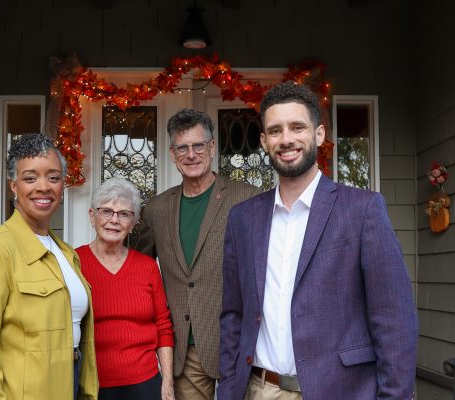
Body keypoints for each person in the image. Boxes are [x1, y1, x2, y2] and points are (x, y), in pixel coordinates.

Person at [218, 81, 418, 400]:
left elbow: (394, 319)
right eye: (275, 130)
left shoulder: (362, 210)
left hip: (341, 391)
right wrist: (228, 386)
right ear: (263, 141)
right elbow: (233, 314)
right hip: (258, 390)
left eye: (297, 127)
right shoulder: (243, 219)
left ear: (319, 134)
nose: (286, 139)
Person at [0, 133, 98, 400]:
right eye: (30, 178)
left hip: (67, 384)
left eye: (53, 177)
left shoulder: (66, 253)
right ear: (14, 186)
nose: (43, 187)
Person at [135, 109, 261, 400]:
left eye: (198, 145)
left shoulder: (248, 198)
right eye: (182, 147)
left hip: (239, 342)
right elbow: (139, 271)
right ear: (172, 153)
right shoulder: (157, 209)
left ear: (212, 147)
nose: (191, 154)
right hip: (185, 346)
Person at [76, 177, 174, 400]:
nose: (114, 220)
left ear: (133, 223)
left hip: (145, 383)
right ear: (93, 216)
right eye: (106, 211)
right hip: (93, 384)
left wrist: (167, 382)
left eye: (124, 214)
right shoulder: (74, 263)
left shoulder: (147, 267)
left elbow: (163, 327)